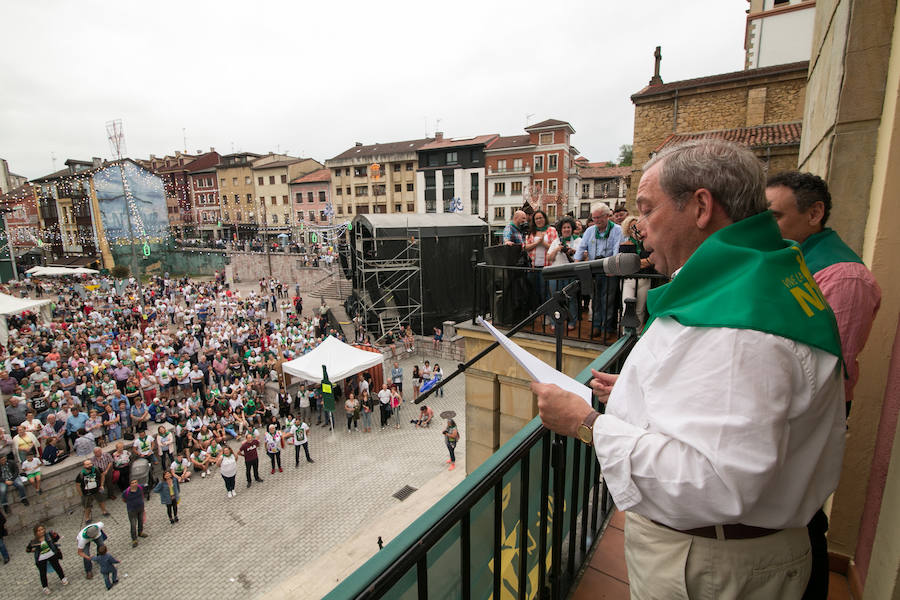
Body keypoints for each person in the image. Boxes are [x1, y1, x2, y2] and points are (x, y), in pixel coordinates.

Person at [532, 139, 846, 599]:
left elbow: (715, 481)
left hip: (711, 570)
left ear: (701, 207)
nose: (637, 227)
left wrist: (586, 426)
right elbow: (723, 400)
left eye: (646, 208)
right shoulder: (758, 278)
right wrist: (640, 388)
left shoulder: (739, 328)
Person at [766, 171, 883, 598]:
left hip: (811, 413)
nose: (766, 226)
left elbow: (831, 367)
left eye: (775, 216)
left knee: (803, 516)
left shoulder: (844, 277)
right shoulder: (791, 258)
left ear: (815, 213)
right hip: (783, 406)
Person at [575, 203, 623, 341]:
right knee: (595, 299)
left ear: (607, 216)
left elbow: (616, 249)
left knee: (608, 300)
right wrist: (576, 264)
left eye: (599, 218)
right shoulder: (590, 231)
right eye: (594, 218)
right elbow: (581, 248)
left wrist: (612, 267)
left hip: (609, 268)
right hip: (594, 269)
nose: (596, 221)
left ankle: (607, 328)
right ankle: (596, 326)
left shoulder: (617, 230)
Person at [544, 216, 582, 331]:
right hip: (556, 274)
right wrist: (557, 249)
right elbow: (549, 258)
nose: (566, 229)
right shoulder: (556, 241)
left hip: (571, 274)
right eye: (564, 227)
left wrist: (572, 251)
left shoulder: (578, 241)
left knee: (571, 299)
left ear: (572, 228)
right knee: (555, 299)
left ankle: (572, 321)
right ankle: (555, 321)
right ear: (561, 229)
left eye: (568, 227)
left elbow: (584, 256)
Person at [617, 215, 654, 331]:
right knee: (626, 308)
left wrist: (640, 262)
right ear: (627, 229)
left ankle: (636, 335)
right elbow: (626, 264)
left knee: (640, 310)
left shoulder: (647, 245)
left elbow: (652, 260)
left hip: (645, 279)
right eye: (631, 227)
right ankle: (626, 334)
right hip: (629, 280)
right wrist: (645, 262)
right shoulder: (624, 245)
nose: (635, 229)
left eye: (636, 226)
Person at [26, 524, 68, 593]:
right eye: (39, 530)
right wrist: (32, 550)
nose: (41, 531)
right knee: (42, 573)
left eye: (42, 529)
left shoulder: (49, 535)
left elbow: (56, 538)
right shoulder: (34, 541)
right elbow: (28, 549)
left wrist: (56, 535)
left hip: (52, 555)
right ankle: (45, 587)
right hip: (41, 559)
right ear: (36, 532)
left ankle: (63, 578)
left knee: (57, 567)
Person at [75, 459, 109, 525]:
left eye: (90, 463)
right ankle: (87, 518)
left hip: (96, 490)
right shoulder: (81, 474)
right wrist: (81, 494)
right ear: (84, 466)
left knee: (101, 501)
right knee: (87, 506)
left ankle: (104, 511)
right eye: (87, 464)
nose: (90, 465)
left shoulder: (96, 469)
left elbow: (102, 475)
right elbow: (77, 485)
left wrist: (102, 485)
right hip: (86, 492)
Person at [121, 478, 148, 547]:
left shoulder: (140, 487)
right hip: (132, 510)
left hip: (140, 508)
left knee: (140, 521)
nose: (134, 484)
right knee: (133, 524)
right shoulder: (126, 492)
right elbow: (124, 499)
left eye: (135, 482)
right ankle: (134, 539)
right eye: (132, 483)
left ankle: (140, 532)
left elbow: (145, 489)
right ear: (130, 484)